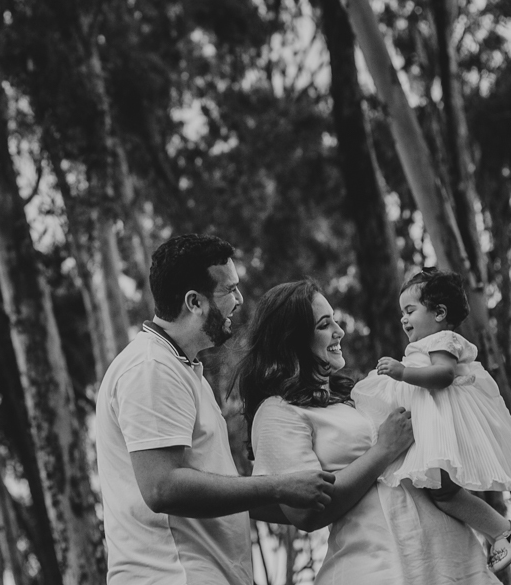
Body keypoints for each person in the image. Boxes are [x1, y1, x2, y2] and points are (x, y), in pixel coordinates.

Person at [95, 234, 337, 585]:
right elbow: (162, 487)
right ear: (194, 302)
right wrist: (278, 486)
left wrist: (309, 502)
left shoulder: (182, 368)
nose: (239, 300)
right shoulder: (151, 367)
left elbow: (216, 493)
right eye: (229, 290)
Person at [236, 278, 501, 585]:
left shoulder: (360, 395)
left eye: (335, 320)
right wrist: (383, 450)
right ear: (293, 339)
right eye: (324, 325)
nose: (339, 331)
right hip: (381, 566)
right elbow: (305, 514)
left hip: (454, 558)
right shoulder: (278, 411)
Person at [351, 268, 511, 572]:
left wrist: (402, 372)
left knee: (443, 493)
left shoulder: (443, 340)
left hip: (440, 426)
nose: (403, 319)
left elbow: (443, 375)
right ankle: (496, 531)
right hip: (429, 423)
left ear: (439, 313)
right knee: (441, 493)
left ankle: (503, 530)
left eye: (410, 311)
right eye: (402, 312)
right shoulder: (429, 343)